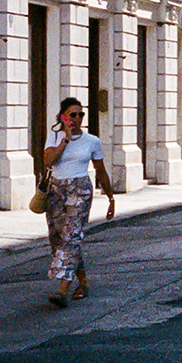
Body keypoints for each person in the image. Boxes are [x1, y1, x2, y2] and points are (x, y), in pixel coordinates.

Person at [36, 98, 116, 308]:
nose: (78, 119)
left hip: (79, 190)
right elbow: (48, 161)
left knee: (71, 236)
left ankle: (63, 289)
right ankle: (83, 282)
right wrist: (66, 140)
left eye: (81, 115)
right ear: (63, 116)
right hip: (56, 191)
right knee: (58, 237)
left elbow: (101, 171)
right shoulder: (54, 137)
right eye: (73, 115)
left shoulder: (92, 141)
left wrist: (110, 197)